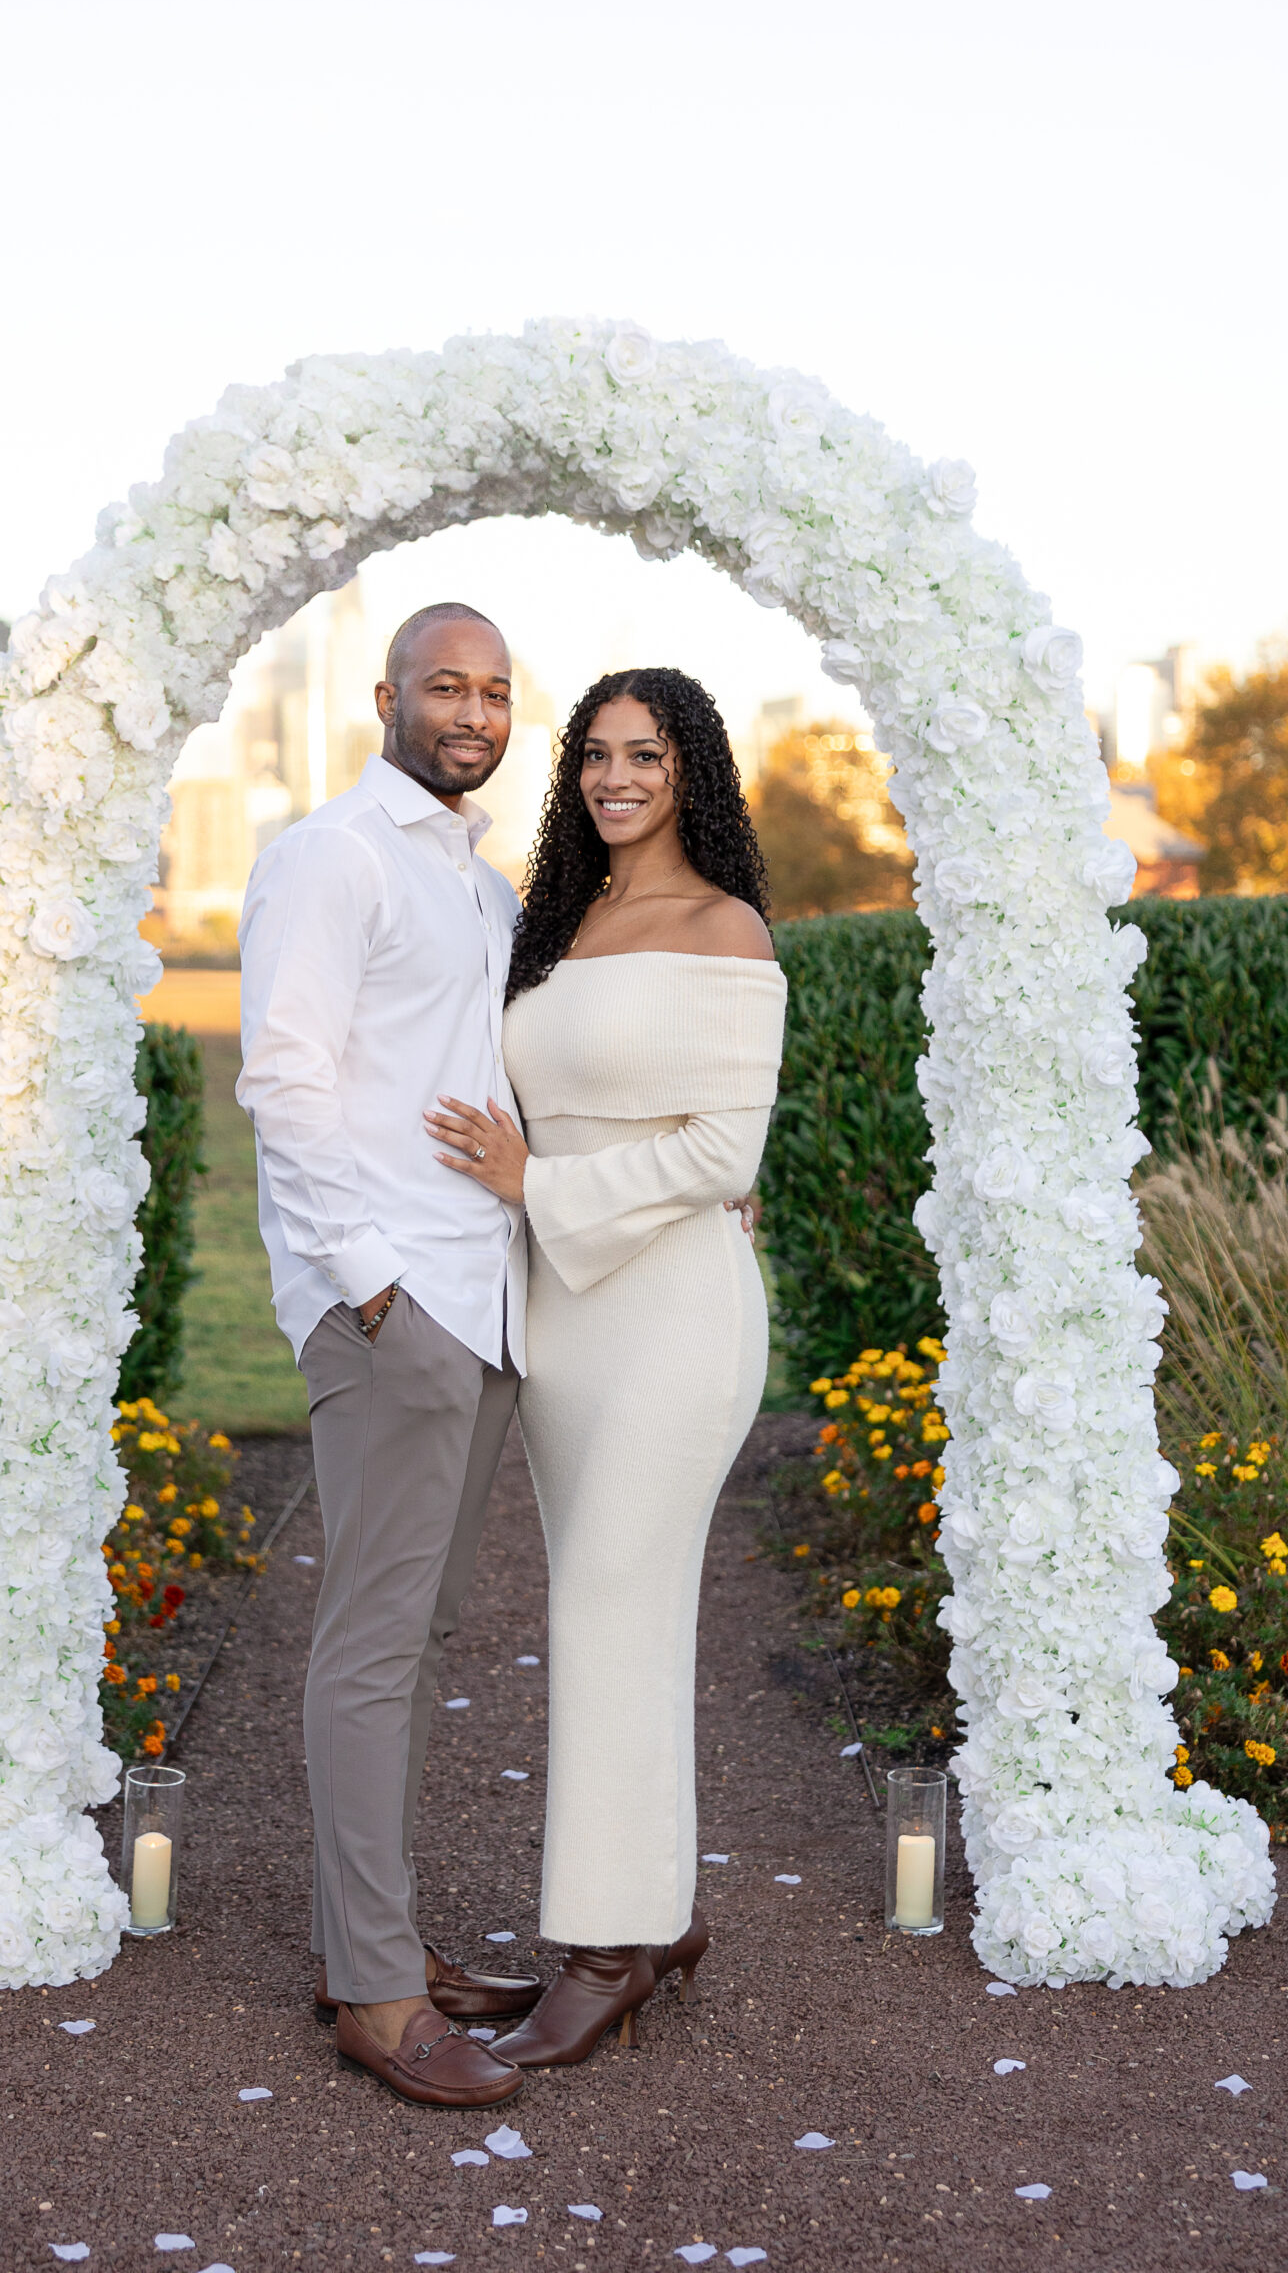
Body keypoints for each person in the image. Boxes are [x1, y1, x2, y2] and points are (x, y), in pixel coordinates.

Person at [426, 667, 785, 2066]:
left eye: (646, 754)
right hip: (562, 1316)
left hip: (674, 1316)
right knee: (613, 1610)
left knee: (601, 1611)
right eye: (594, 755)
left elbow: (725, 1156)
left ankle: (605, 1948)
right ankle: (659, 1912)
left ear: (692, 769)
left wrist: (537, 1180)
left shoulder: (726, 930)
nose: (614, 777)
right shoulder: (560, 926)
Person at [236, 601, 541, 2110]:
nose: (471, 707)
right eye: (445, 683)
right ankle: (374, 1992)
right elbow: (284, 1077)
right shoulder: (332, 855)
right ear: (386, 696)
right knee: (371, 1647)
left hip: (477, 1304)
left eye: (493, 689)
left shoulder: (480, 886)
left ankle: (377, 1943)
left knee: (412, 1644)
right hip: (396, 1308)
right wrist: (366, 1290)